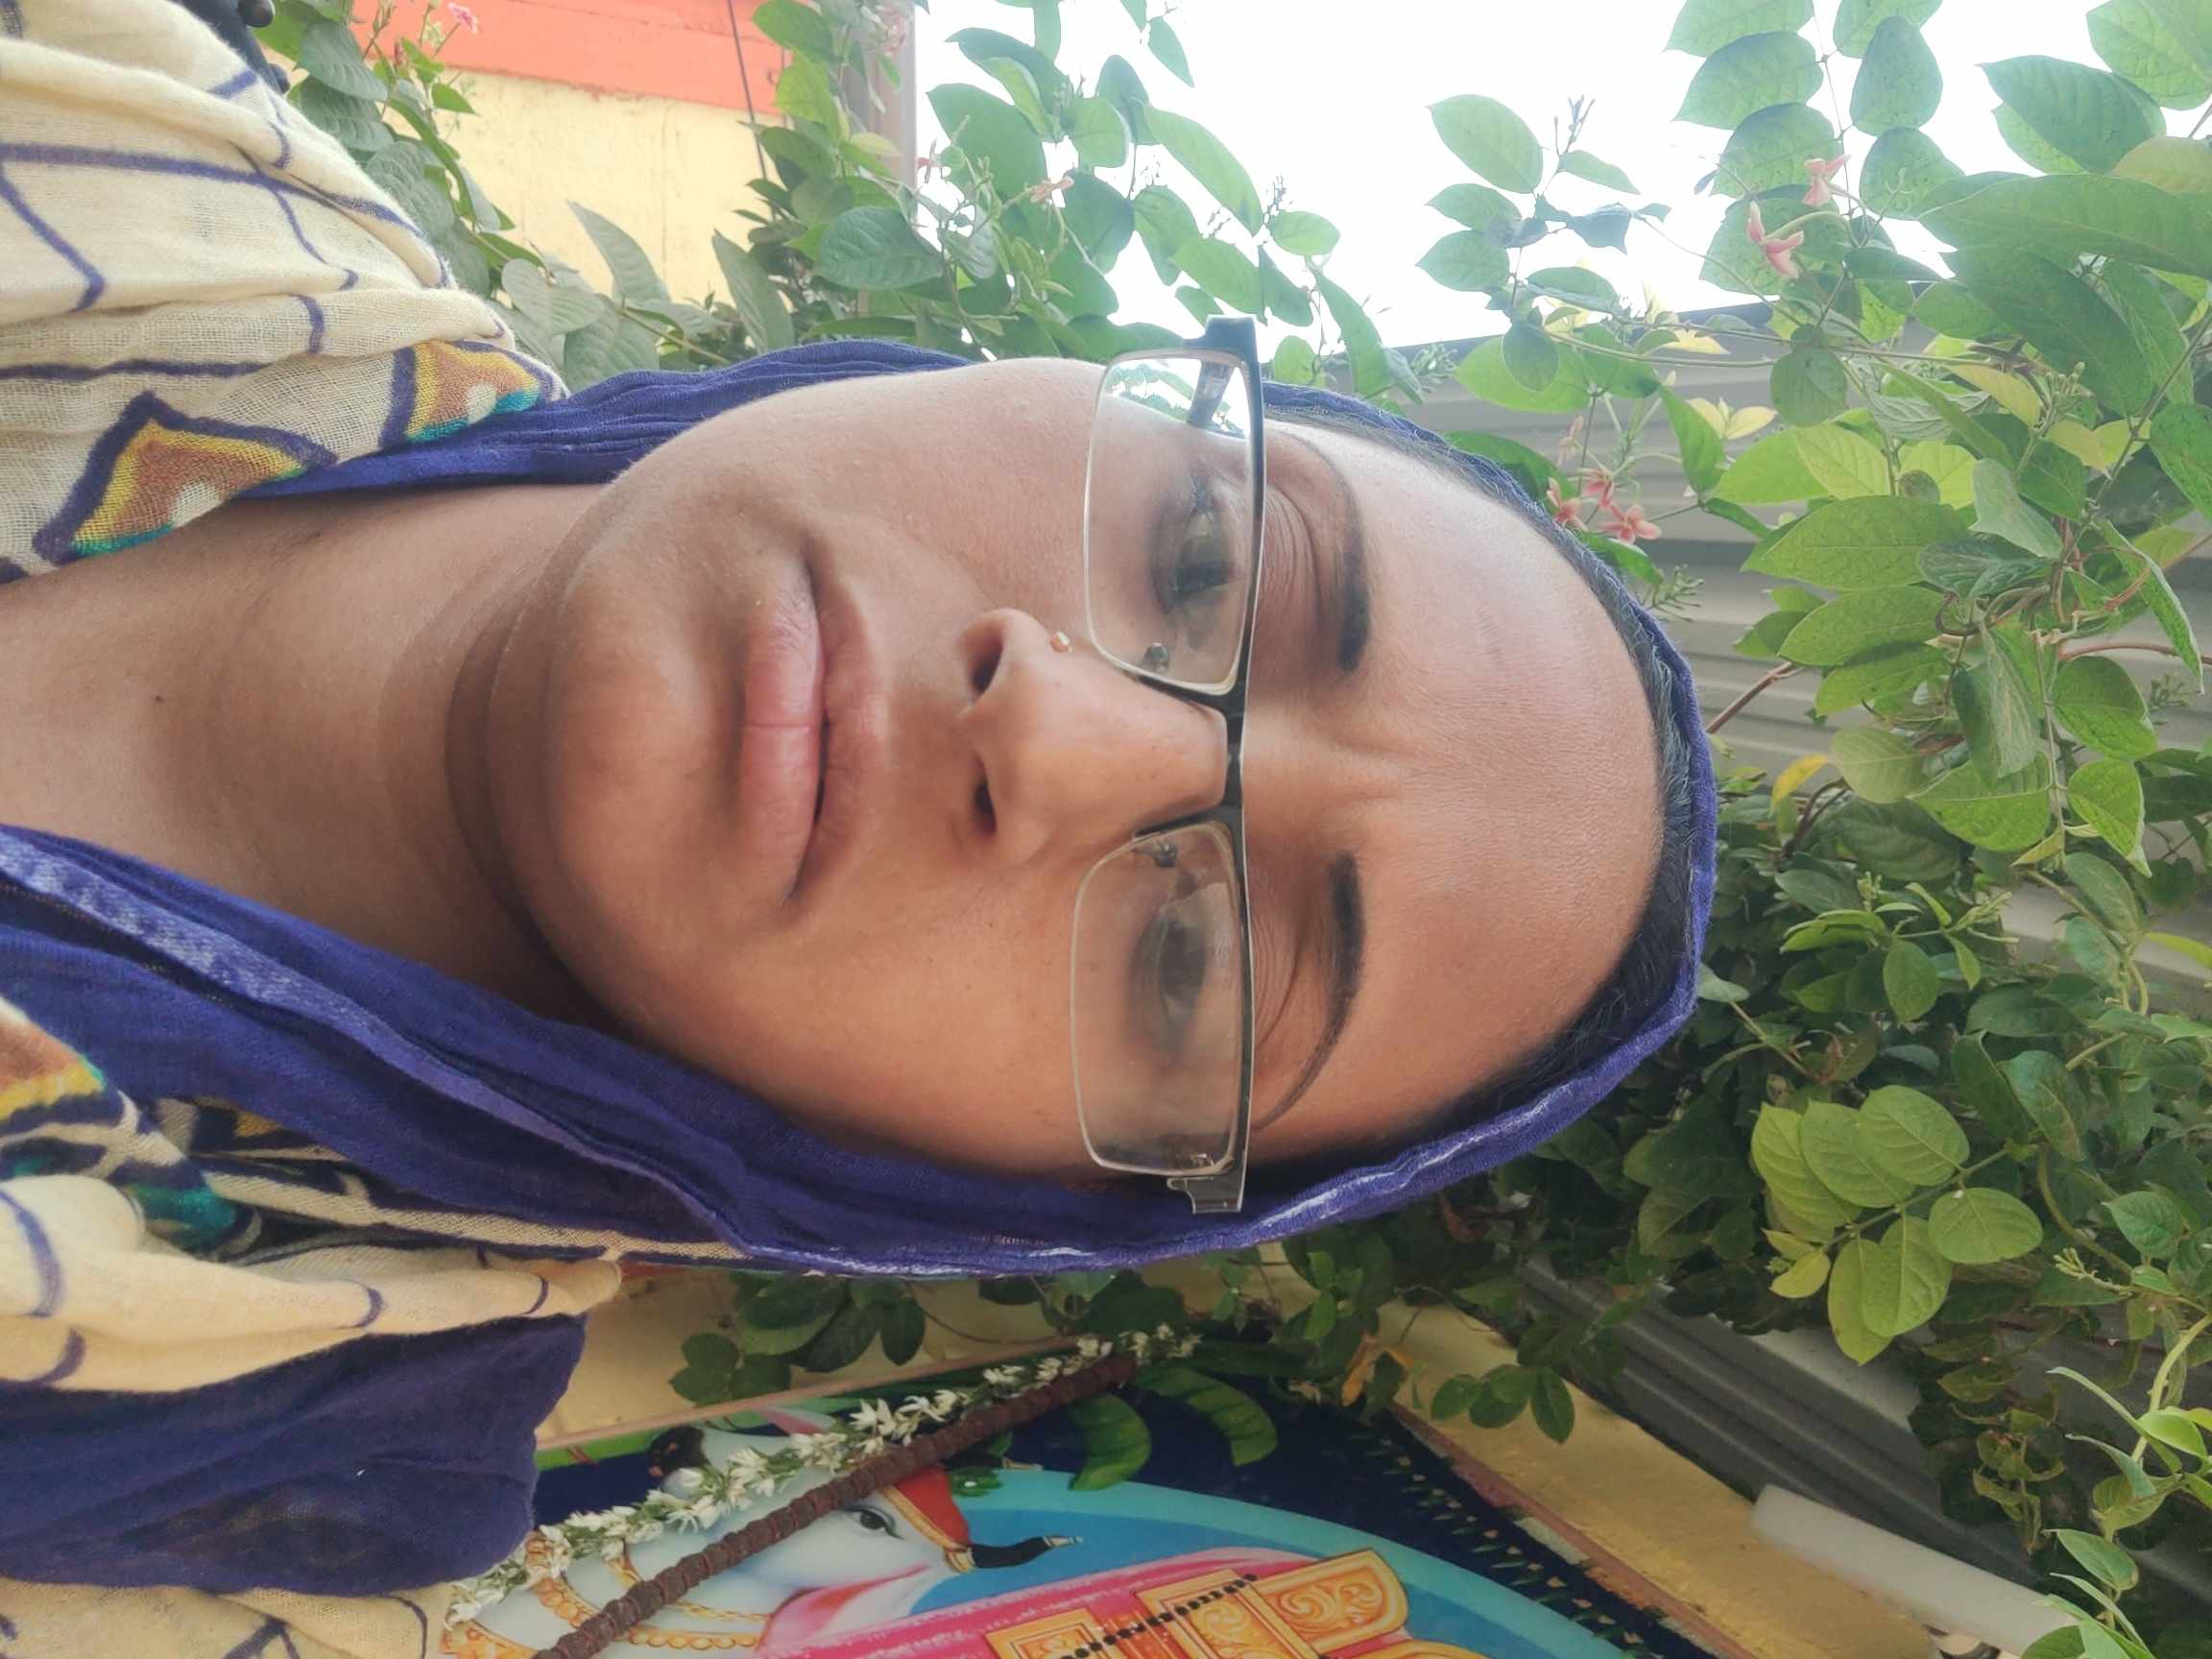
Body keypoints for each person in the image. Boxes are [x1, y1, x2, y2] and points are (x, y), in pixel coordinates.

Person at [0, 0, 1716, 1647]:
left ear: (995, 1198)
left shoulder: (235, 1497)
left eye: (1190, 969)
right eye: (1202, 558)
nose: (1051, 732)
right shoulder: (99, 89)